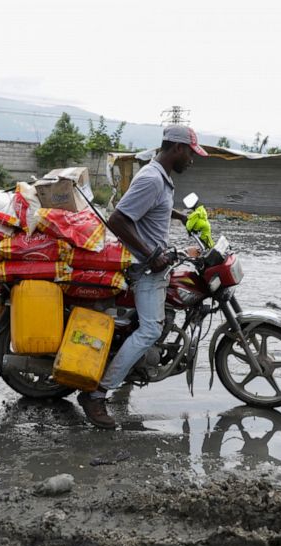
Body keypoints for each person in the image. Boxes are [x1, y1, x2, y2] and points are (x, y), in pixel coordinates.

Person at [76, 124, 207, 429]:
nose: (192, 159)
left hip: (151, 264)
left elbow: (152, 209)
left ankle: (127, 371)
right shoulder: (151, 178)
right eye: (191, 153)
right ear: (177, 149)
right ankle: (96, 395)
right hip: (144, 269)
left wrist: (180, 217)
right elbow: (118, 219)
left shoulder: (161, 178)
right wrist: (150, 254)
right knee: (150, 329)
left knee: (154, 320)